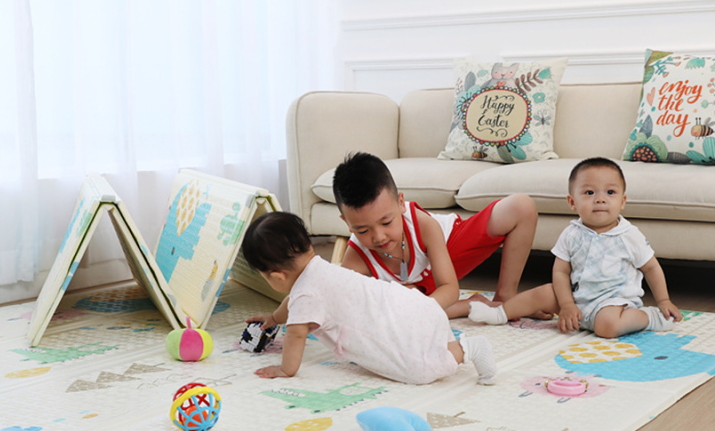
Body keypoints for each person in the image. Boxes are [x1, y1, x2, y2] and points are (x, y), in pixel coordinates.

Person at [241, 211, 498, 385]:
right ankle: (457, 339)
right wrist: (274, 318)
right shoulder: (321, 269)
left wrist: (285, 370)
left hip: (402, 322)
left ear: (277, 276)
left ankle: (469, 348)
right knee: (427, 341)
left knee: (419, 368)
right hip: (413, 305)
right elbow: (294, 305)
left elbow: (296, 334)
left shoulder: (305, 294)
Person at [467, 157, 683, 338]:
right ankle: (500, 313)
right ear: (572, 202)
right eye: (589, 193)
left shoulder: (629, 235)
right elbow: (561, 272)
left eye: (610, 192)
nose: (600, 199)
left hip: (612, 303)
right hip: (575, 298)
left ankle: (650, 318)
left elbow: (651, 268)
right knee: (544, 292)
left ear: (623, 201)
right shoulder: (571, 234)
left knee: (607, 326)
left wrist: (663, 300)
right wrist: (567, 304)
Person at [331, 152, 541, 319]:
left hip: (449, 250)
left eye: (386, 222)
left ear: (401, 203)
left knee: (522, 206)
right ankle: (468, 306)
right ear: (347, 223)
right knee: (384, 309)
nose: (379, 237)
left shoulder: (423, 225)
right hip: (418, 292)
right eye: (363, 230)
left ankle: (506, 297)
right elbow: (347, 309)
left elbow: (449, 289)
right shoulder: (356, 259)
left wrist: (413, 310)